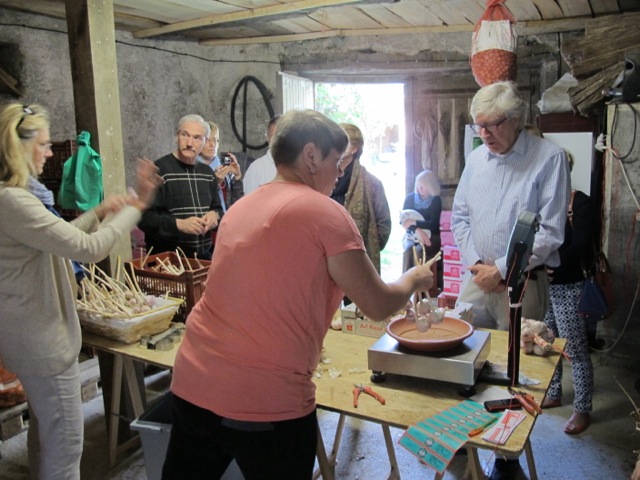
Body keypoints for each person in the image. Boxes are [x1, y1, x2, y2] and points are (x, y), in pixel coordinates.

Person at [161, 109, 434, 480]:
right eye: (336, 162)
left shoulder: (241, 208)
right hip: (267, 403)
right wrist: (414, 278)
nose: (339, 173)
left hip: (193, 385)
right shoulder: (326, 213)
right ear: (311, 156)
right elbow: (378, 304)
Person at [0, 102, 162, 480]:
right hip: (43, 342)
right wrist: (136, 207)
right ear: (20, 147)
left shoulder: (16, 198)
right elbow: (88, 249)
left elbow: (60, 240)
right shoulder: (14, 200)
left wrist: (101, 211)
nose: (49, 152)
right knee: (66, 448)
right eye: (43, 144)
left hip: (29, 339)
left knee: (47, 435)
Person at [451, 81, 570, 480]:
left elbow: (550, 231)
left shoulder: (548, 158)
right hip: (476, 278)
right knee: (465, 360)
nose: (484, 133)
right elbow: (460, 217)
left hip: (522, 282)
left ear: (516, 119)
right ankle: (464, 437)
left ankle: (506, 457)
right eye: (478, 125)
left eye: (493, 124)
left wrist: (501, 269)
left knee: (516, 370)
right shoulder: (476, 159)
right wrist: (476, 265)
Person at [542, 157, 595, 435]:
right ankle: (554, 392)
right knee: (548, 343)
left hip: (569, 285)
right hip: (545, 286)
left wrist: (554, 265)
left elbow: (581, 244)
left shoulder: (580, 202)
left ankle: (582, 409)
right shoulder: (544, 202)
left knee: (575, 350)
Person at [139, 114, 224, 259]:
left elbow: (218, 209)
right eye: (185, 135)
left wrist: (214, 215)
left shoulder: (208, 173)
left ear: (204, 142)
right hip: (167, 262)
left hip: (201, 259)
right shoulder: (160, 170)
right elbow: (144, 218)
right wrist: (178, 224)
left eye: (197, 138)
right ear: (176, 137)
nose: (189, 143)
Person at [330, 122, 391, 274]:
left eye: (343, 141)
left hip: (360, 264)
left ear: (354, 148)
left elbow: (384, 225)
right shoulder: (323, 178)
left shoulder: (372, 184)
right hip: (328, 260)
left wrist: (368, 248)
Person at [401, 169, 442, 273]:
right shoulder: (410, 198)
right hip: (411, 235)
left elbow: (434, 224)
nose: (420, 188)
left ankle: (419, 281)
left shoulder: (436, 200)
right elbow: (404, 222)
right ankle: (405, 280)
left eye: (423, 185)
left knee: (419, 251)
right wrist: (417, 230)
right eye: (419, 185)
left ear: (430, 186)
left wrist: (414, 222)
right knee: (408, 250)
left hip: (431, 237)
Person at [199, 120, 243, 211]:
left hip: (225, 218)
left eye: (216, 140)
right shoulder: (192, 169)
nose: (213, 144)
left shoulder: (224, 167)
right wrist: (215, 184)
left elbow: (237, 205)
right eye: (207, 140)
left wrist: (237, 178)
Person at [243, 114, 280, 195]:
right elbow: (249, 200)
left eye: (282, 136)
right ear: (267, 137)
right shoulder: (256, 168)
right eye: (274, 136)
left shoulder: (296, 166)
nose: (279, 141)